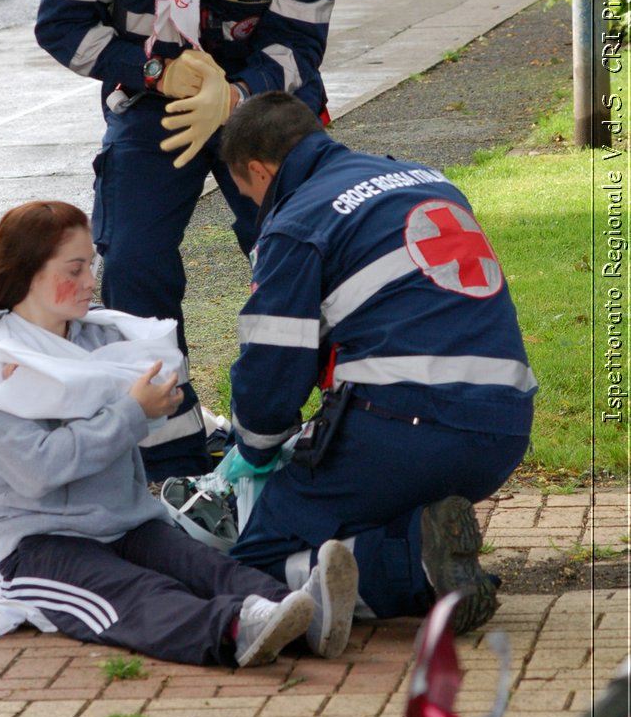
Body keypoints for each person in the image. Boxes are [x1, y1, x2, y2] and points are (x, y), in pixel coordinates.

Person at [35, 0, 338, 480]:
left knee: (302, 250)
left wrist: (232, 98)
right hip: (150, 106)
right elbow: (60, 25)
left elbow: (301, 44)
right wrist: (158, 71)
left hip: (262, 109)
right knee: (134, 259)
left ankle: (315, 429)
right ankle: (171, 450)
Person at [0, 200, 360, 666]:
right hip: (44, 544)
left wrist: (155, 406)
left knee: (207, 566)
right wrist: (132, 411)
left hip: (127, 521)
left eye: (91, 264)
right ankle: (234, 628)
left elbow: (145, 406)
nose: (90, 280)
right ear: (27, 272)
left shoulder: (99, 338)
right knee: (139, 592)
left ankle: (301, 610)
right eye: (75, 268)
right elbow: (38, 469)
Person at [218, 93, 537, 635]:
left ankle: (416, 568)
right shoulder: (425, 177)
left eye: (249, 195)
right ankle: (424, 539)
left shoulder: (298, 220)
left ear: (259, 169)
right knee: (360, 502)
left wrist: (253, 450)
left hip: (409, 428)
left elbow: (272, 373)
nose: (255, 208)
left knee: (257, 557)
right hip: (504, 427)